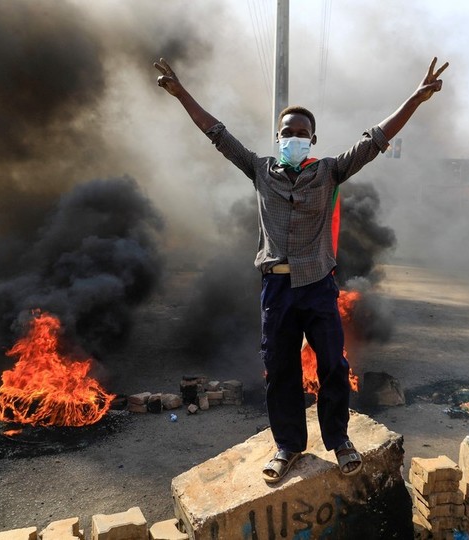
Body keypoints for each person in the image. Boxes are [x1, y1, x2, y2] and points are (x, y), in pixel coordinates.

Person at [154, 56, 448, 483]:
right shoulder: (259, 170)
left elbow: (376, 139)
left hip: (318, 287)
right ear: (278, 138)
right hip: (276, 290)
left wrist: (415, 100)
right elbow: (217, 133)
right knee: (280, 371)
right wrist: (182, 94)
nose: (294, 138)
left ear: (313, 139)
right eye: (287, 133)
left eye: (301, 133)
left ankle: (339, 441)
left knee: (332, 366)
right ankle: (288, 447)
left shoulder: (329, 172)